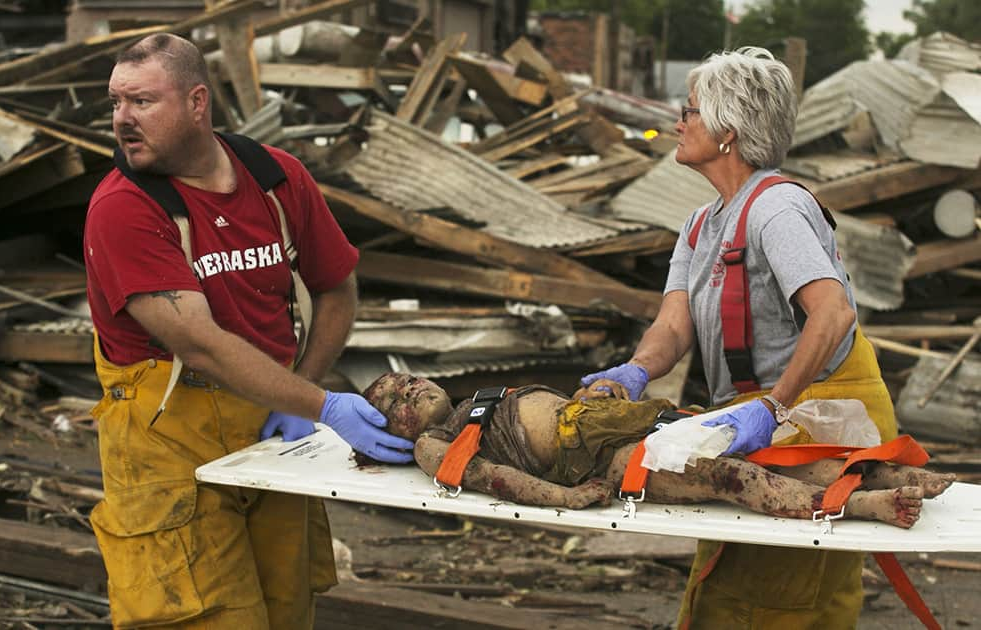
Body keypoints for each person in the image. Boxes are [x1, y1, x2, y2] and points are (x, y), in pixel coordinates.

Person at [83, 33, 413, 628]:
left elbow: (337, 286)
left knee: (288, 607)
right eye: (115, 103)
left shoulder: (274, 178)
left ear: (197, 102)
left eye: (141, 102)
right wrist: (324, 404)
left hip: (270, 428)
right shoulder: (124, 208)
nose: (122, 120)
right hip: (166, 445)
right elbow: (199, 345)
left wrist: (304, 394)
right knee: (206, 617)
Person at [581, 47, 902, 628]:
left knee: (781, 595)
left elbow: (832, 315)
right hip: (764, 416)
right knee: (731, 573)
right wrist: (633, 370)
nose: (679, 122)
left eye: (692, 111)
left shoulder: (777, 209)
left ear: (728, 131)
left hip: (826, 416)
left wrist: (773, 407)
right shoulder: (700, 224)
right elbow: (674, 325)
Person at [362, 372, 952, 527]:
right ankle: (861, 505)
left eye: (407, 379)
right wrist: (567, 498)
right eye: (396, 399)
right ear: (397, 429)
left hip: (624, 423)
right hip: (601, 462)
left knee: (770, 453)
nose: (409, 388)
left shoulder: (481, 400)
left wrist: (606, 389)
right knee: (731, 477)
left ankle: (892, 478)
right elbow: (495, 479)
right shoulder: (436, 446)